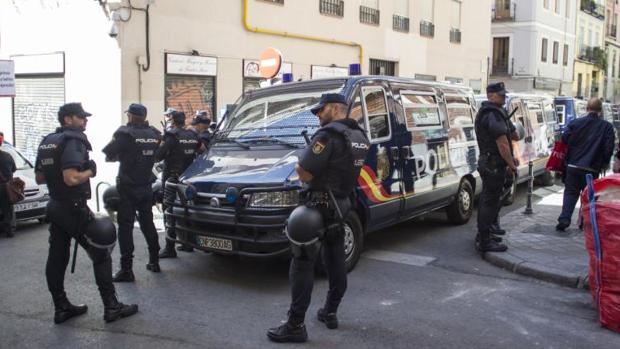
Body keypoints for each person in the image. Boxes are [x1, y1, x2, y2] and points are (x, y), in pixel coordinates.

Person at [267, 93, 370, 343]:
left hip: (318, 206)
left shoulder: (327, 136)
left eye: (320, 110)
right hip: (343, 204)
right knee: (335, 259)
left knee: (302, 262)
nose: (317, 115)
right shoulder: (359, 136)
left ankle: (295, 325)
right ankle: (330, 312)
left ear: (335, 108)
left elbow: (303, 172)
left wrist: (302, 159)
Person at [35, 103, 138, 324]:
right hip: (73, 207)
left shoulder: (47, 141)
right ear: (67, 119)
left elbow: (40, 178)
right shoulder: (74, 140)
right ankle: (112, 307)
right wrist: (91, 170)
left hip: (55, 206)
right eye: (81, 117)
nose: (85, 121)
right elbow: (71, 178)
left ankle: (61, 307)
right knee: (101, 252)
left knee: (57, 256)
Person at [102, 103, 162, 282]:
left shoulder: (124, 133)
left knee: (126, 227)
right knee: (148, 223)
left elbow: (108, 155)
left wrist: (124, 156)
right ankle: (155, 261)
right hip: (146, 185)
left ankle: (126, 269)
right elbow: (157, 155)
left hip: (127, 187)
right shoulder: (154, 134)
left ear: (130, 116)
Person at [556, 98, 615, 231]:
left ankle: (564, 219)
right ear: (600, 111)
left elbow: (564, 139)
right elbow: (608, 148)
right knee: (590, 196)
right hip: (592, 168)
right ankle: (584, 221)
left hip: (573, 165)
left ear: (587, 108)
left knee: (570, 193)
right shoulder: (606, 127)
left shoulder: (575, 123)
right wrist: (604, 163)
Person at [474, 82, 518, 254]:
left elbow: (513, 134)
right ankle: (485, 241)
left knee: (489, 201)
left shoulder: (497, 113)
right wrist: (511, 164)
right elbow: (503, 144)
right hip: (493, 163)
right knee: (489, 203)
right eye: (500, 94)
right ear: (490, 95)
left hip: (490, 163)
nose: (504, 97)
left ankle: (486, 236)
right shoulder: (492, 114)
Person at [154, 110, 200, 258]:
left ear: (173, 121)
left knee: (169, 212)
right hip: (187, 179)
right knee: (187, 210)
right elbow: (202, 151)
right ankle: (188, 244)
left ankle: (169, 247)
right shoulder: (193, 135)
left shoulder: (171, 136)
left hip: (171, 180)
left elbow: (157, 156)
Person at [0, 132, 16, 238]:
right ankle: (9, 230)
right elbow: (14, 169)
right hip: (6, 187)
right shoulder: (7, 156)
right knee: (8, 209)